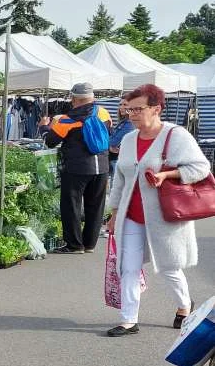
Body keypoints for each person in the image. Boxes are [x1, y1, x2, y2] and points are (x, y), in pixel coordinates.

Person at [103, 84, 211, 336]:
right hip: (131, 214)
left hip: (165, 215)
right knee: (128, 267)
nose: (131, 114)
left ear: (156, 109)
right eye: (129, 110)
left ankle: (184, 305)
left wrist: (169, 174)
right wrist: (115, 211)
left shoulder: (176, 135)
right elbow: (120, 177)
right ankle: (129, 319)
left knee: (169, 266)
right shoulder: (129, 139)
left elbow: (201, 168)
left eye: (138, 109)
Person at [38, 82, 111, 254]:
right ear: (92, 98)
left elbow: (50, 141)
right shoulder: (103, 113)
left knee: (72, 206)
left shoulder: (67, 119)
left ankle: (74, 245)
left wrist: (44, 127)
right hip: (101, 167)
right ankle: (90, 244)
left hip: (76, 168)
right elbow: (108, 131)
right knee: (96, 206)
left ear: (74, 99)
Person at [109, 95, 134, 177]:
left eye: (125, 105)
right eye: (120, 104)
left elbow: (113, 142)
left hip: (120, 161)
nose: (121, 107)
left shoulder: (129, 124)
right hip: (116, 160)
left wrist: (109, 144)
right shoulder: (124, 122)